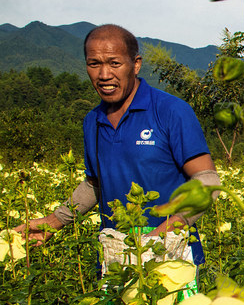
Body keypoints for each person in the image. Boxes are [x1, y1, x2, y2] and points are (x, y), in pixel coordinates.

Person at [18, 24, 219, 267]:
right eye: (94, 64)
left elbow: (208, 182)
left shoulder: (170, 111)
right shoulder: (92, 121)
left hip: (173, 253)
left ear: (135, 64)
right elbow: (95, 184)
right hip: (115, 252)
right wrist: (54, 221)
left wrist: (166, 232)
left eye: (114, 63)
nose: (104, 75)